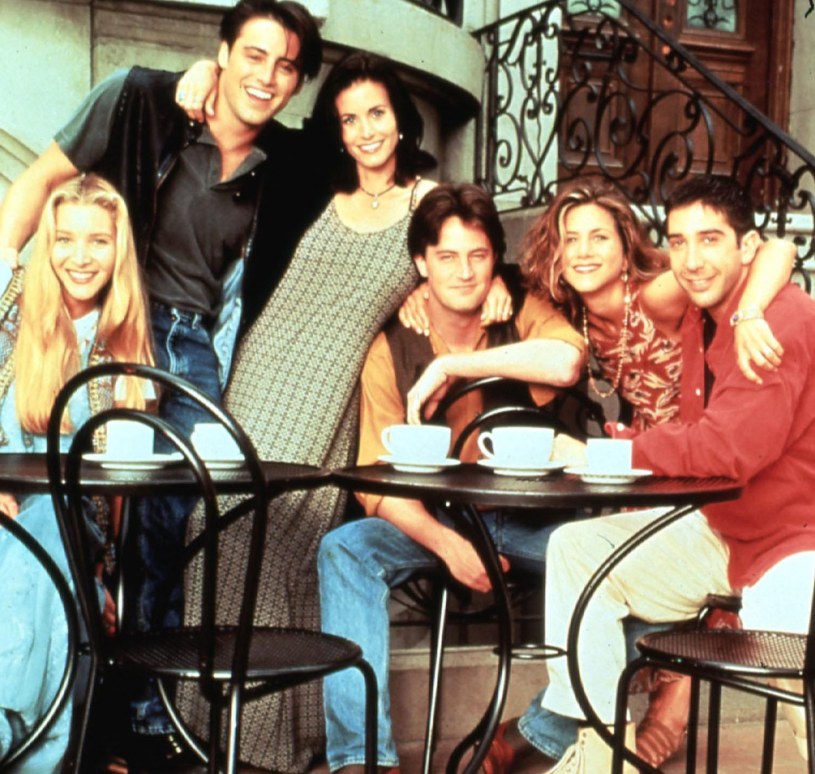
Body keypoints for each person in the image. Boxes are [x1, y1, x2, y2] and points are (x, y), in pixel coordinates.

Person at [0, 3, 326, 765]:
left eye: (285, 66)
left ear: (297, 82)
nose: (265, 76)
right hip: (107, 321)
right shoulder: (142, 97)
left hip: (190, 347)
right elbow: (38, 183)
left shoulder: (285, 163)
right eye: (252, 55)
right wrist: (8, 289)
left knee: (162, 523)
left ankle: (143, 722)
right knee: (62, 503)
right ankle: (72, 714)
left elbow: (376, 170)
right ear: (223, 51)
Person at [404, 176, 796, 768]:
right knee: (583, 558)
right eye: (571, 239)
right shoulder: (577, 311)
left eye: (599, 238)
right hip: (666, 475)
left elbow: (774, 248)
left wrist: (748, 313)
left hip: (715, 478)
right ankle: (593, 743)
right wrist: (444, 292)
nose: (584, 251)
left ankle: (654, 695)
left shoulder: (668, 295)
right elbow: (477, 277)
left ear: (627, 245)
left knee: (622, 571)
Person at [317, 182, 586, 772]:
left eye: (478, 255)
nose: (464, 273)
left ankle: (535, 731)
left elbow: (567, 360)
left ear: (495, 259)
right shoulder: (391, 345)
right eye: (447, 257)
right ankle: (362, 758)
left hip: (530, 518)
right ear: (421, 263)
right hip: (441, 522)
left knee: (620, 567)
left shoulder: (520, 309)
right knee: (345, 549)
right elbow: (375, 482)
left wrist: (454, 365)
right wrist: (447, 545)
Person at [0, 174, 153, 773]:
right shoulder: (11, 309)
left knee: (51, 530)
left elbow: (115, 493)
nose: (80, 257)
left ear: (119, 249)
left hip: (67, 532)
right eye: (64, 239)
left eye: (98, 241)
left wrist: (100, 575)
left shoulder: (125, 346)